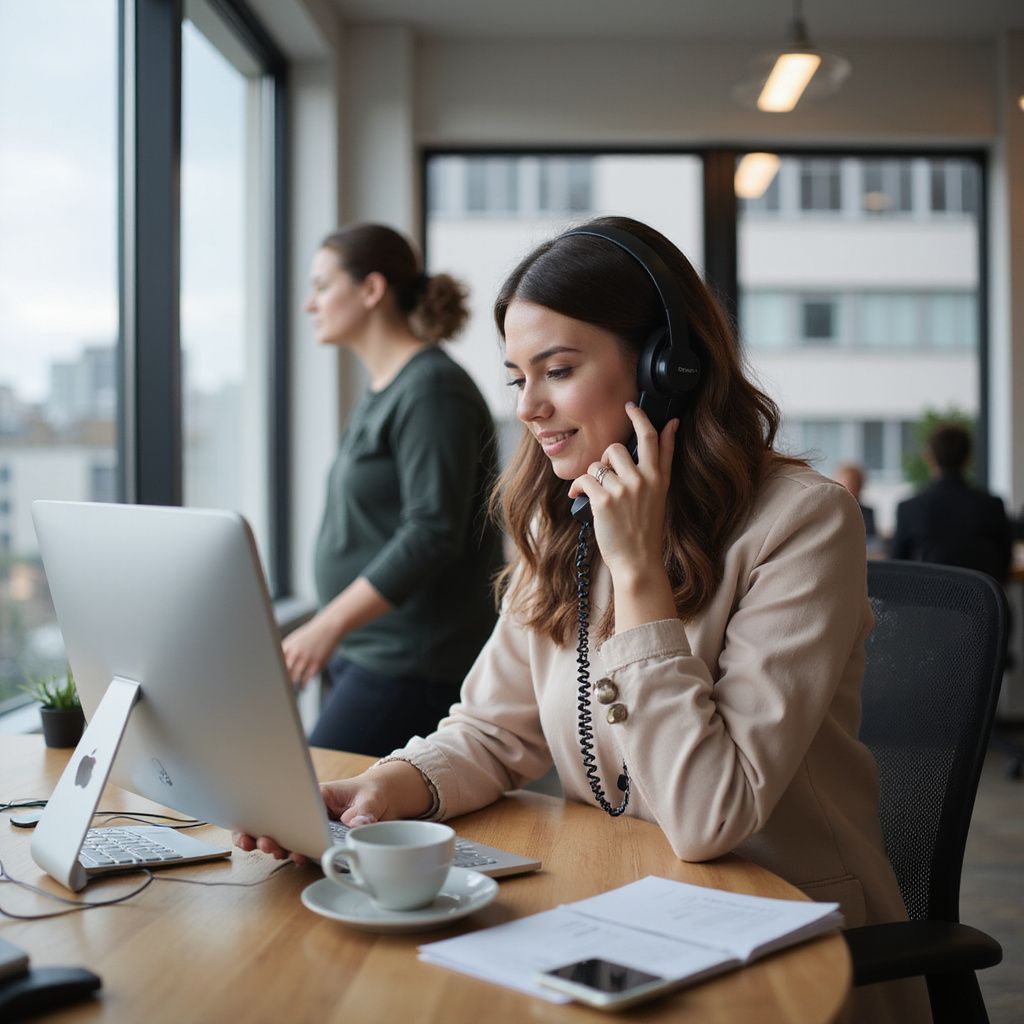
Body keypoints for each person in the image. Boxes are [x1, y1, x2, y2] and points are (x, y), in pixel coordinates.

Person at [241, 216, 928, 1021]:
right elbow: (494, 732)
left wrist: (637, 576)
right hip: (617, 917)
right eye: (515, 378)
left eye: (557, 370)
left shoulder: (802, 523)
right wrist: (383, 788)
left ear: (666, 369)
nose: (529, 407)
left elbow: (712, 815)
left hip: (783, 942)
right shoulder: (564, 520)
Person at [284, 223, 503, 756]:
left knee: (317, 810)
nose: (310, 304)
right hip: (368, 650)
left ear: (371, 289)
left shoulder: (432, 389)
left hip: (412, 661)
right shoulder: (388, 389)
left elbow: (431, 533)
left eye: (321, 285)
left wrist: (327, 623)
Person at [890, 423, 1012, 582]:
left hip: (928, 603)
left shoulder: (910, 508)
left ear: (929, 458)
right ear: (969, 458)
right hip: (982, 605)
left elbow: (897, 569)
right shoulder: (992, 505)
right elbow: (1004, 564)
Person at [834, 462, 877, 540]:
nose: (851, 488)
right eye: (848, 483)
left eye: (854, 484)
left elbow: (872, 540)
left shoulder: (868, 512)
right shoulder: (829, 511)